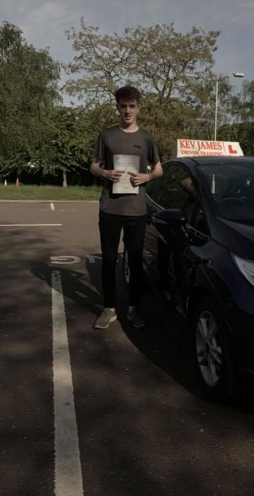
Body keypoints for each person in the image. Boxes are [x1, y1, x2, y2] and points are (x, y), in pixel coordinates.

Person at [90, 85, 163, 329]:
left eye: (132, 106)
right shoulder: (107, 135)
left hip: (136, 211)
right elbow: (93, 166)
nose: (127, 111)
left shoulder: (147, 138)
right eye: (123, 106)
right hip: (110, 209)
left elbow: (159, 169)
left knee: (134, 261)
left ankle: (133, 309)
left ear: (138, 108)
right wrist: (105, 172)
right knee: (109, 261)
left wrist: (147, 178)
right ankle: (109, 308)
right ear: (118, 108)